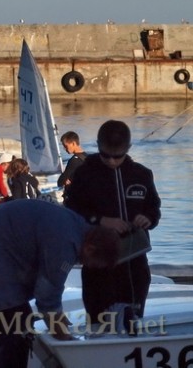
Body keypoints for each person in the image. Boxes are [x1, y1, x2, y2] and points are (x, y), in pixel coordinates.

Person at [0, 200, 120, 368]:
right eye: (93, 264)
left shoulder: (75, 226)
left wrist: (57, 318)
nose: (88, 266)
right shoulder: (65, 243)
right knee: (14, 325)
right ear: (90, 249)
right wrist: (62, 334)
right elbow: (47, 294)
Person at [63, 119, 161, 324]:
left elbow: (153, 208)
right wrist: (101, 220)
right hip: (98, 259)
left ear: (128, 148)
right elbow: (71, 209)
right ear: (98, 146)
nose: (112, 161)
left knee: (133, 318)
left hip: (134, 259)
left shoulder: (142, 174)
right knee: (99, 319)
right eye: (106, 155)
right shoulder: (85, 174)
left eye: (118, 156)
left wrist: (148, 218)